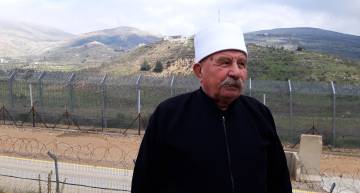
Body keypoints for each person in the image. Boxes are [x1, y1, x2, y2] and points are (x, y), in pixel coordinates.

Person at [131, 22, 292, 193]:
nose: (236, 72)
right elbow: (145, 183)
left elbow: (278, 181)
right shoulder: (169, 116)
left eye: (242, 64)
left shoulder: (260, 115)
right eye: (225, 63)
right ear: (199, 71)